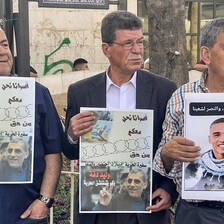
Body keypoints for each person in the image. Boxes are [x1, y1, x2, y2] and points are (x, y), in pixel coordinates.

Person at [63, 10, 178, 224]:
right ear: (106, 49)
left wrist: (169, 190)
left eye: (140, 42)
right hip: (97, 207)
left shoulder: (164, 90)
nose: (137, 51)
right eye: (127, 44)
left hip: (146, 207)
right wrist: (71, 135)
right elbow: (70, 152)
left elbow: (172, 147)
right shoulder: (81, 91)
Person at [153, 17, 224, 224]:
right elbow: (164, 161)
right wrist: (169, 153)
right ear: (206, 54)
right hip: (198, 212)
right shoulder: (182, 97)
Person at [0, 27, 63, 223]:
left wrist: (44, 200)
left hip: (25, 214)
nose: (3, 52)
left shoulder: (37, 94)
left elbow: (53, 151)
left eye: (5, 45)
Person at [185, 118, 224, 190]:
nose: (222, 139)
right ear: (210, 139)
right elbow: (187, 186)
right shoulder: (197, 164)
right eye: (217, 135)